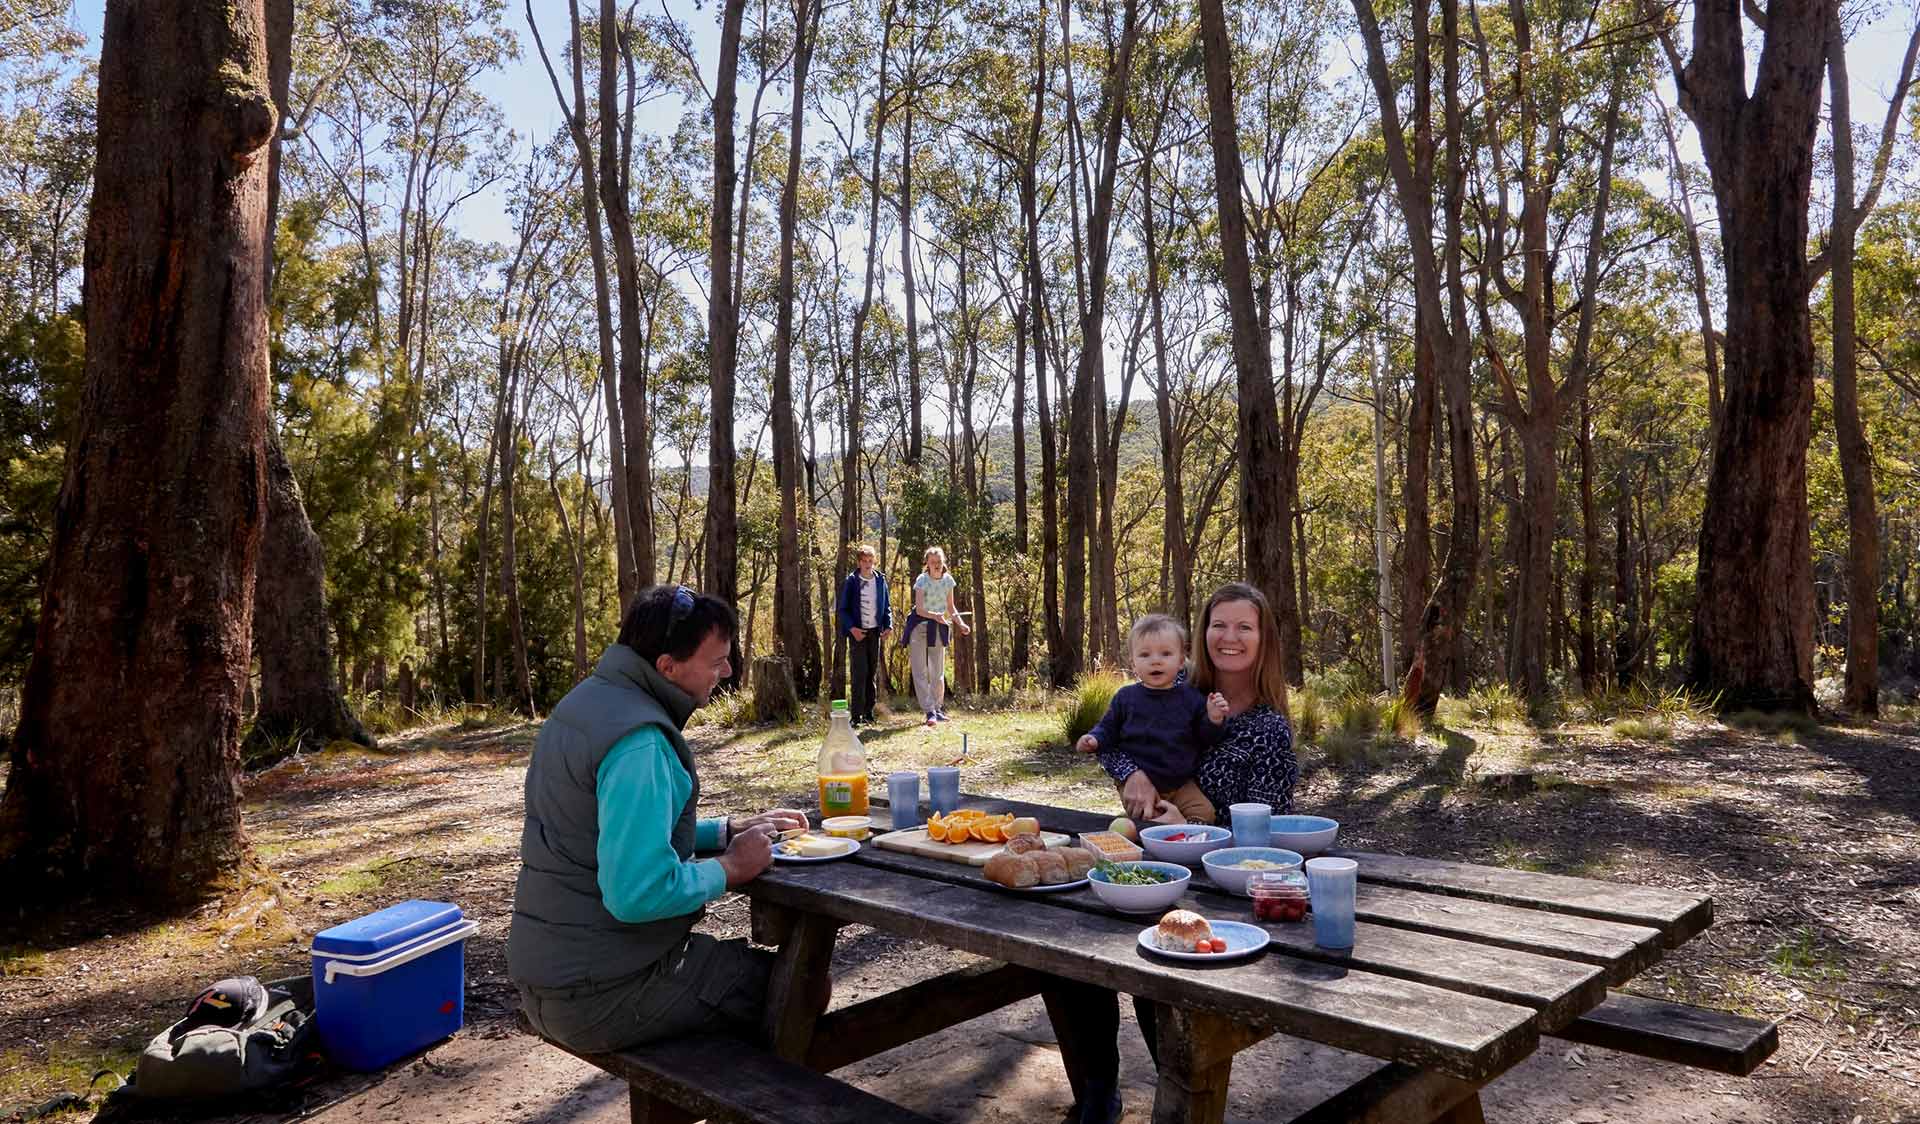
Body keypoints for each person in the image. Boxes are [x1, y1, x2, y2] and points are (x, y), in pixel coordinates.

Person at [508, 584, 813, 1053]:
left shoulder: (584, 705)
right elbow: (637, 893)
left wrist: (726, 831)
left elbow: (601, 830)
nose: (728, 672)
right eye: (716, 663)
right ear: (667, 667)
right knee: (798, 990)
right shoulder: (640, 743)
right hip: (604, 992)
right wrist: (730, 869)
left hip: (550, 980)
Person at [1054, 582, 1299, 1124]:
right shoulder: (1171, 681)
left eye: (1244, 627)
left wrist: (1189, 826)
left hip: (1220, 885)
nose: (1229, 637)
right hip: (1146, 859)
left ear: (1264, 640)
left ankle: (1179, 1094)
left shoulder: (1269, 727)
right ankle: (1098, 1089)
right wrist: (1131, 773)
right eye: (1219, 623)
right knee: (1067, 941)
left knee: (1158, 967)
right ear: (1201, 632)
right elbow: (1115, 737)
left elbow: (1271, 829)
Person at [1076, 614, 1228, 826]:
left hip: (1182, 782)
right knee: (1149, 819)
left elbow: (1206, 738)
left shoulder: (1192, 697)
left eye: (1166, 654)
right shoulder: (1126, 697)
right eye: (1145, 655)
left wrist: (1214, 718)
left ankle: (1186, 841)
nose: (1155, 660)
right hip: (1141, 783)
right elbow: (1108, 728)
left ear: (1181, 660)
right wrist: (1094, 739)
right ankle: (1142, 836)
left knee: (1205, 813)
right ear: (1133, 662)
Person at [903, 545, 970, 726]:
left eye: (939, 562)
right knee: (920, 671)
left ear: (943, 563)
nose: (937, 565)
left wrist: (961, 624)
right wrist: (935, 616)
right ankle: (929, 711)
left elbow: (951, 607)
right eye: (933, 562)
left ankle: (938, 709)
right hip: (919, 626)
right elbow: (920, 609)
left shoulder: (948, 581)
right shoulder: (922, 580)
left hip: (939, 628)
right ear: (928, 564)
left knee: (937, 672)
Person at [835, 544, 892, 727]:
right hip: (858, 633)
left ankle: (869, 714)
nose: (868, 564)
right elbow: (842, 610)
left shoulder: (880, 580)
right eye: (864, 561)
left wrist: (888, 626)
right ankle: (856, 716)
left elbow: (886, 607)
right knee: (859, 673)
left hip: (875, 632)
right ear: (859, 562)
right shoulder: (852, 581)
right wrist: (853, 629)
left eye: (871, 561)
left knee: (871, 674)